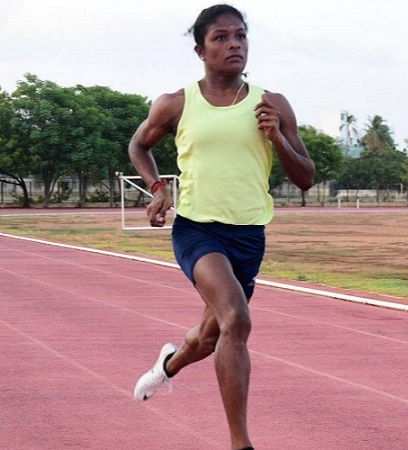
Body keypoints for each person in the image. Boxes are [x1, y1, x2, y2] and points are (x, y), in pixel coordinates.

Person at [128, 4, 315, 449]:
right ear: (200, 49)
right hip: (197, 230)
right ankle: (240, 444)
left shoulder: (273, 104)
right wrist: (157, 188)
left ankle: (168, 365)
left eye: (241, 36)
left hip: (249, 235)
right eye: (221, 38)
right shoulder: (176, 103)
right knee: (237, 318)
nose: (234, 44)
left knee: (210, 339)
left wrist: (278, 138)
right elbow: (139, 144)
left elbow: (305, 176)